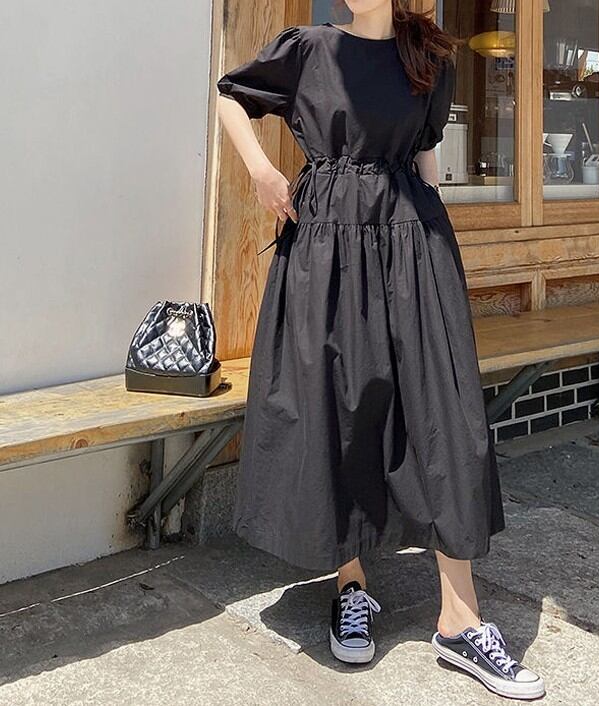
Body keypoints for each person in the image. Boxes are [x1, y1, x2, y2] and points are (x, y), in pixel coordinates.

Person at [216, 0, 544, 699]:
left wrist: (437, 253)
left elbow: (425, 160)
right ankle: (352, 585)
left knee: (445, 416)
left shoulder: (428, 57)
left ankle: (460, 620)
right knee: (344, 406)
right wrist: (262, 172)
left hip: (411, 244)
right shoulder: (308, 49)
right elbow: (231, 98)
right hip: (327, 250)